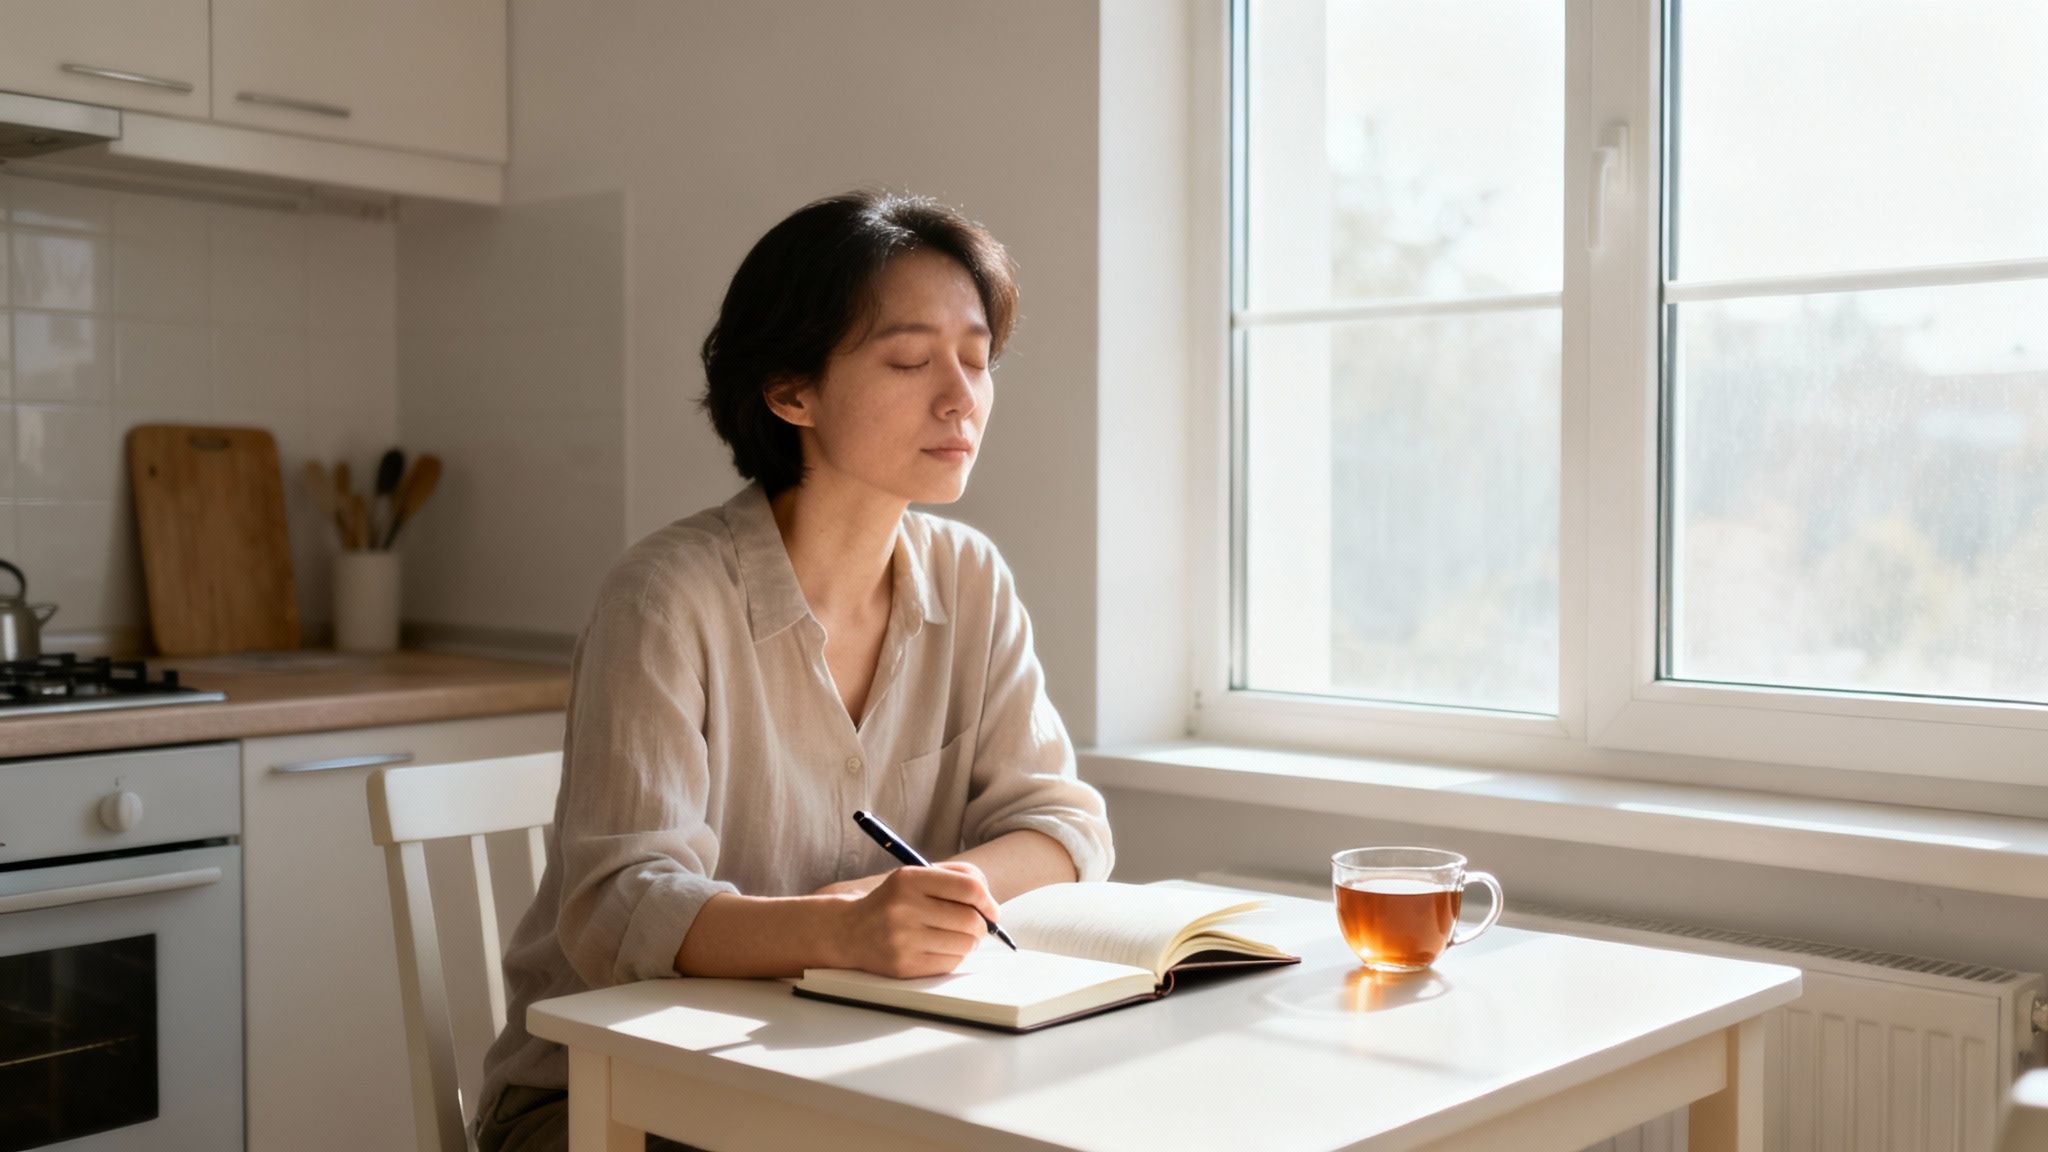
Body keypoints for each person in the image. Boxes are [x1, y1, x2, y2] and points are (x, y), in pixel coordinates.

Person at [475, 190, 1114, 1152]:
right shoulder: (665, 596)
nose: (961, 397)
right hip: (607, 1098)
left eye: (977, 360)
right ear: (790, 390)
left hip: (854, 1074)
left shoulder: (970, 578)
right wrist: (845, 935)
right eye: (909, 360)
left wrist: (920, 901)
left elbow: (1065, 826)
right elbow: (616, 908)